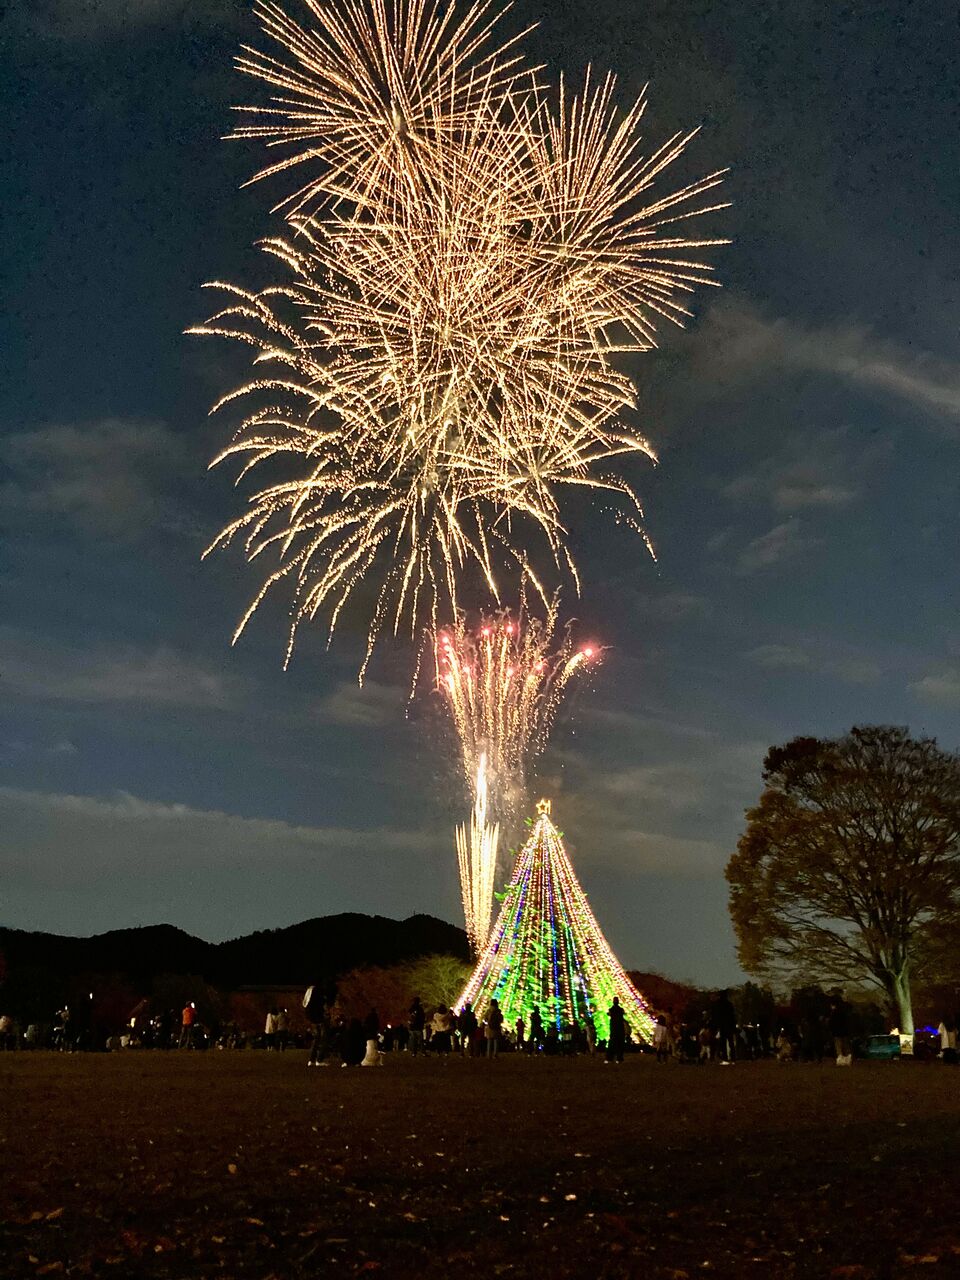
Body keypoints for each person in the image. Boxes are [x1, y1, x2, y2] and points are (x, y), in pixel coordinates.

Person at [713, 990, 737, 1063]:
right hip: (729, 1025)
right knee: (731, 1042)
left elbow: (716, 1016)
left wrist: (717, 1025)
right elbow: (733, 1015)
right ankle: (733, 1058)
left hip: (722, 1026)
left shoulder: (718, 1004)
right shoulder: (729, 1004)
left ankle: (725, 1058)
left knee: (723, 1043)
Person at [827, 996, 851, 1066]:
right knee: (846, 1045)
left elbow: (831, 1022)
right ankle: (848, 1058)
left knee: (838, 1045)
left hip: (837, 1032)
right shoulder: (844, 1011)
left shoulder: (834, 1012)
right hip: (845, 1031)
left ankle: (840, 1059)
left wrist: (831, 1029)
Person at [606, 997, 626, 1064]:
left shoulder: (611, 1010)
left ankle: (610, 1058)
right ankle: (619, 1058)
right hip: (620, 1029)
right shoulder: (620, 1010)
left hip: (614, 1029)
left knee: (612, 1044)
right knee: (620, 1044)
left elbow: (609, 1014)